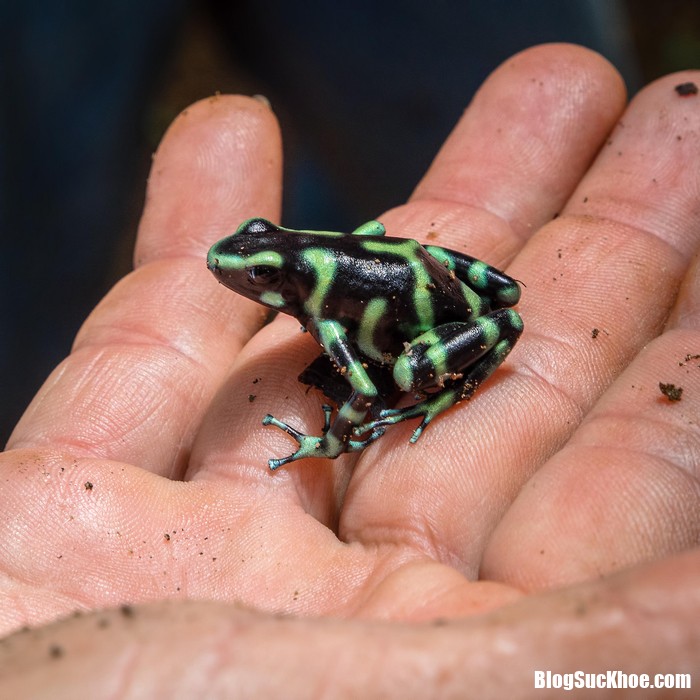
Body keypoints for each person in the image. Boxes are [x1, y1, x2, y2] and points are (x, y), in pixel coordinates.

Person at [0, 45, 697, 696]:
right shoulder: (316, 296)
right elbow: (363, 246)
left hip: (437, 323)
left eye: (263, 272)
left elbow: (364, 385)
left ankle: (434, 395)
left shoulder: (328, 321)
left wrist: (328, 441)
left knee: (406, 371)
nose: (239, 272)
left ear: (288, 281)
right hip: (429, 278)